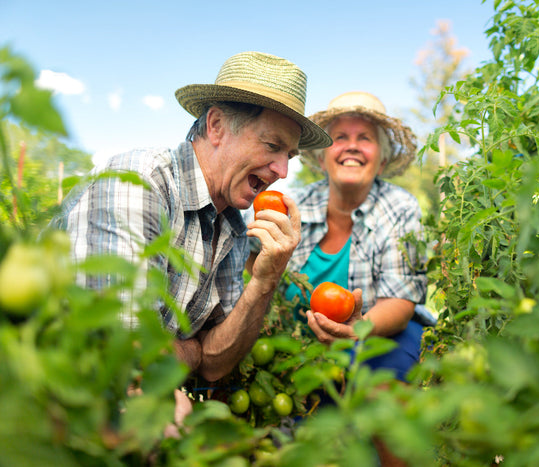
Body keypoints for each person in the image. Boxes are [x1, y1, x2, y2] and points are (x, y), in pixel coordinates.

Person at [52, 51, 332, 387]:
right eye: (272, 145)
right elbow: (119, 354)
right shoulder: (138, 184)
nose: (283, 171)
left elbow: (217, 364)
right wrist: (192, 352)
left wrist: (265, 280)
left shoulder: (232, 226)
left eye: (288, 155)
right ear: (216, 126)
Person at [273, 91, 433, 382]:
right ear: (322, 159)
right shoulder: (292, 205)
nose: (352, 147)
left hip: (377, 336)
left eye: (365, 138)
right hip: (299, 344)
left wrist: (357, 329)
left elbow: (400, 302)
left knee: (378, 395)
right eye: (340, 137)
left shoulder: (400, 207)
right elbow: (249, 256)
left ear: (381, 162)